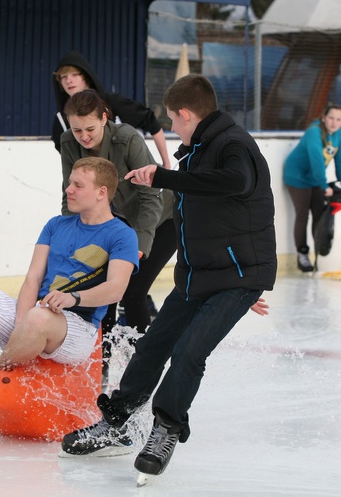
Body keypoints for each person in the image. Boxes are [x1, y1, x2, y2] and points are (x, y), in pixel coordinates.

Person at [60, 74, 277, 479]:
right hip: (200, 275)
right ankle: (118, 419)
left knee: (190, 352)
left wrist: (163, 176)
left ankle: (166, 428)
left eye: (173, 121)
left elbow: (236, 183)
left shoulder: (234, 145)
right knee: (154, 344)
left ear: (187, 114)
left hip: (238, 275)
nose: (171, 128)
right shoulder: (197, 150)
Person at [0, 157, 139, 414]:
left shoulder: (122, 234)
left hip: (77, 328)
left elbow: (116, 288)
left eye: (78, 185)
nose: (69, 189)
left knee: (39, 317)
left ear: (101, 193)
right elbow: (32, 278)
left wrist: (73, 298)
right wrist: (22, 320)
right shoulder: (56, 224)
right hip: (36, 316)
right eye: (69, 183)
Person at [59, 89, 176, 336]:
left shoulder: (127, 138)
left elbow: (150, 195)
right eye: (77, 130)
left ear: (104, 118)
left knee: (131, 292)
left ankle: (142, 362)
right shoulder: (69, 142)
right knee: (101, 295)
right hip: (118, 229)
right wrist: (69, 239)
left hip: (162, 221)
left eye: (90, 129)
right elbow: (70, 193)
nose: (84, 137)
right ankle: (102, 369)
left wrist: (141, 245)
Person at [52, 51, 171, 168]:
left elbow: (151, 121)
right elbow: (67, 157)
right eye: (63, 76)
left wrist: (166, 162)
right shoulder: (61, 119)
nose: (69, 80)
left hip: (135, 174)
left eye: (75, 74)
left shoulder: (114, 103)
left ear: (86, 76)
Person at [283, 103, 341, 272]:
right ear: (324, 118)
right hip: (297, 177)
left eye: (338, 119)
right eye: (331, 118)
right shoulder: (314, 132)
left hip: (314, 179)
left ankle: (320, 253)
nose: (334, 122)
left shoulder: (338, 134)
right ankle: (302, 254)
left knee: (320, 215)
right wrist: (324, 185)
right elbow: (316, 160)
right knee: (302, 214)